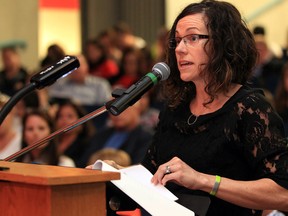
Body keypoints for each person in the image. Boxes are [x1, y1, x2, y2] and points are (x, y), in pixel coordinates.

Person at [87, 1, 288, 215]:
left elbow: (282, 194)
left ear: (222, 43)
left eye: (192, 38)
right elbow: (151, 177)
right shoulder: (176, 109)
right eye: (177, 41)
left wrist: (202, 180)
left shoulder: (250, 109)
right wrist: (118, 175)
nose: (180, 49)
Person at [54, 100, 95, 168]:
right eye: (60, 116)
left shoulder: (87, 144)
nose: (64, 120)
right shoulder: (52, 142)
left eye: (70, 116)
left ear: (81, 122)